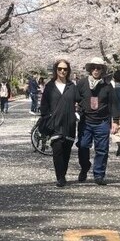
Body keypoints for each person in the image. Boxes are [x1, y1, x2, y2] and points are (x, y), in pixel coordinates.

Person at [75, 57, 120, 185]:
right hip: (86, 121)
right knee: (83, 146)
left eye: (98, 68)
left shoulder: (107, 86)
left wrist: (115, 121)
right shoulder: (82, 83)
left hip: (102, 122)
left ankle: (99, 174)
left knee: (102, 149)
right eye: (93, 67)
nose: (96, 70)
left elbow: (113, 104)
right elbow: (75, 98)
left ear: (102, 70)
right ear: (90, 69)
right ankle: (85, 167)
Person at [39, 59, 78, 187]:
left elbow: (80, 101)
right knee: (57, 150)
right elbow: (44, 104)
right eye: (60, 68)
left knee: (66, 151)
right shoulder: (50, 86)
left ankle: (63, 174)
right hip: (55, 124)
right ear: (56, 70)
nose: (62, 71)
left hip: (69, 123)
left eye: (65, 69)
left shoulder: (72, 87)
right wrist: (47, 117)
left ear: (68, 71)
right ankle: (60, 177)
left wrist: (78, 114)